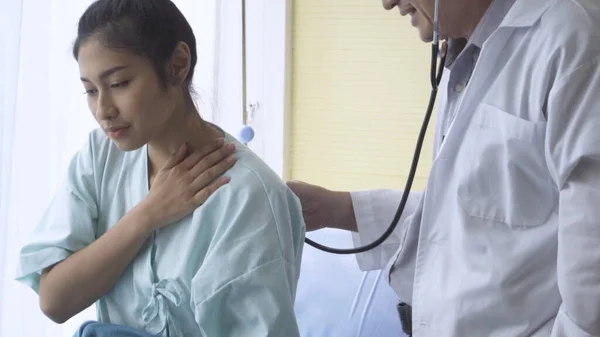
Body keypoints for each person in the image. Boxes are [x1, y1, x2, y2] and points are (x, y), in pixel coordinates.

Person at [288, 0, 600, 336]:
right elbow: (471, 212)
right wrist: (331, 208)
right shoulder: (466, 51)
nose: (387, 2)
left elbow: (591, 293)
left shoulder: (573, 37)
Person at [14, 1, 305, 336]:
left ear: (177, 65)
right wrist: (146, 216)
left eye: (119, 83)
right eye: (90, 90)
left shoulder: (249, 196)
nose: (103, 110)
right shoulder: (100, 156)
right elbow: (55, 301)